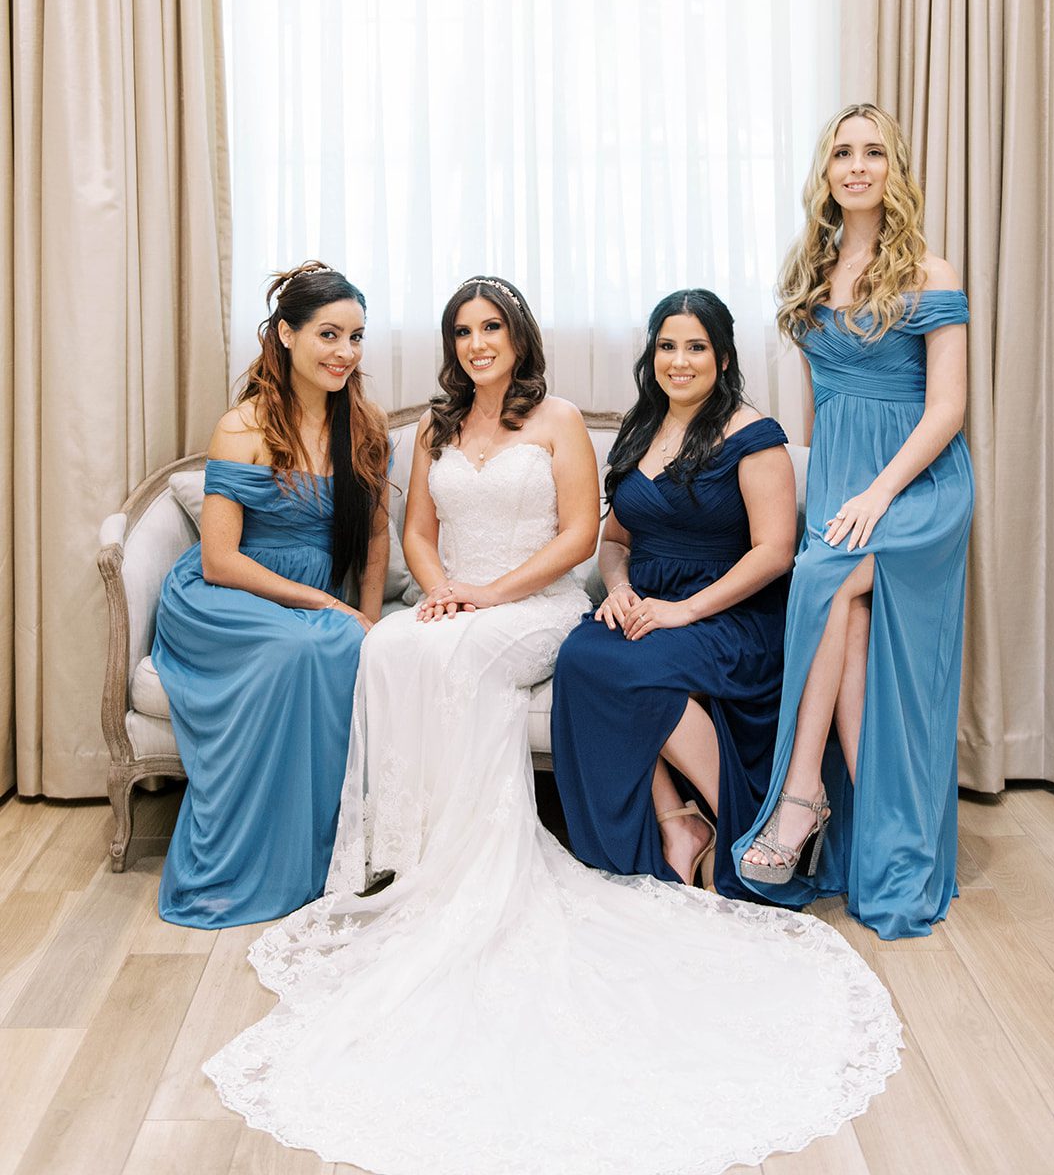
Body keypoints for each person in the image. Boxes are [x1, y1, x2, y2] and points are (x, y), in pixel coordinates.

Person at [204, 276, 902, 1174]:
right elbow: (425, 533)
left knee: (488, 658)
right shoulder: (444, 430)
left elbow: (581, 538)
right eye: (461, 330)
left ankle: (726, 819)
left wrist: (497, 592)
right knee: (387, 651)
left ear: (521, 335)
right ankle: (403, 853)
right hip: (489, 597)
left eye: (491, 326)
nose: (475, 341)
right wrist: (443, 588)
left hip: (545, 600)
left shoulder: (569, 419)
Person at [735, 105, 974, 940]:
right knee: (850, 616)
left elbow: (947, 408)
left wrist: (878, 496)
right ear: (827, 171)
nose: (859, 165)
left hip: (920, 483)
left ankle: (801, 795)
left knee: (830, 584)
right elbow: (819, 406)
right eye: (844, 152)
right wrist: (819, 491)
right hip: (841, 478)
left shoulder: (932, 275)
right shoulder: (810, 271)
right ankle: (877, 838)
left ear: (894, 170)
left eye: (875, 152)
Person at [153, 262, 390, 928]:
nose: (345, 352)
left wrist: (368, 617)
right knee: (299, 646)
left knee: (339, 645)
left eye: (357, 336)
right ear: (285, 334)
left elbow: (375, 539)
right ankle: (242, 859)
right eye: (329, 334)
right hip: (224, 599)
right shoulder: (244, 427)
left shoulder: (363, 426)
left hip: (307, 603)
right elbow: (222, 560)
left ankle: (321, 857)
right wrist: (328, 606)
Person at [551, 289, 794, 899]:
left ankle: (745, 824)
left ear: (724, 357)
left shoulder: (754, 435)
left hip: (731, 612)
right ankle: (675, 823)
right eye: (667, 346)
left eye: (696, 347)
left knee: (638, 668)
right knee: (584, 655)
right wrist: (621, 591)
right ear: (651, 354)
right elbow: (615, 542)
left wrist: (683, 610)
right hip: (651, 601)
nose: (679, 361)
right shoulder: (640, 431)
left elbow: (774, 550)